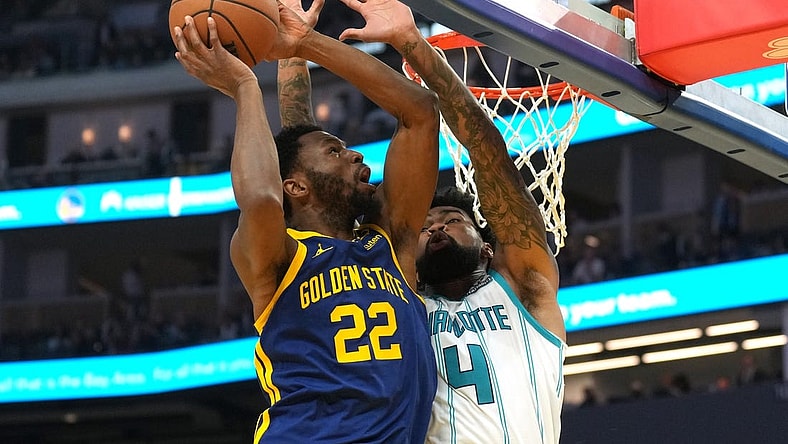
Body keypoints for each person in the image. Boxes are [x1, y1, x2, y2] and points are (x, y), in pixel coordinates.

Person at [172, 2, 440, 442]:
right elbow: (260, 196)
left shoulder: (391, 243)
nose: (356, 154)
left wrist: (304, 45)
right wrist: (244, 87)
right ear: (295, 187)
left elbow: (420, 113)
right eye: (335, 151)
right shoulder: (280, 255)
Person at [337, 1, 567, 442]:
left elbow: (489, 156)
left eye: (452, 218)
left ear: (487, 245)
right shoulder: (402, 306)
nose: (435, 227)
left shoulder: (524, 285)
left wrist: (413, 45)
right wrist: (291, 59)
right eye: (424, 225)